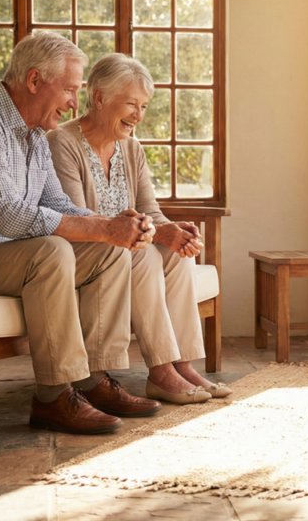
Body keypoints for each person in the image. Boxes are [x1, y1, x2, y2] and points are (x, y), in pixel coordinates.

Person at [0, 32, 164, 435]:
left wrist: (115, 229)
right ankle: (53, 396)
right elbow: (10, 217)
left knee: (110, 250)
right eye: (69, 90)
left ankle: (92, 380)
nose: (73, 103)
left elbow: (59, 206)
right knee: (50, 251)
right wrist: (103, 227)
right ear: (33, 81)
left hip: (0, 254)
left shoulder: (33, 136)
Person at [46, 53, 230, 404]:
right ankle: (160, 372)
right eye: (131, 104)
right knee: (144, 258)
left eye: (144, 106)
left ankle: (181, 364)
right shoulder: (63, 143)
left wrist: (174, 231)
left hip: (128, 248)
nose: (139, 115)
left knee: (176, 254)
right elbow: (77, 218)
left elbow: (150, 211)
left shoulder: (132, 149)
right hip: (86, 253)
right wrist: (157, 234)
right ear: (99, 98)